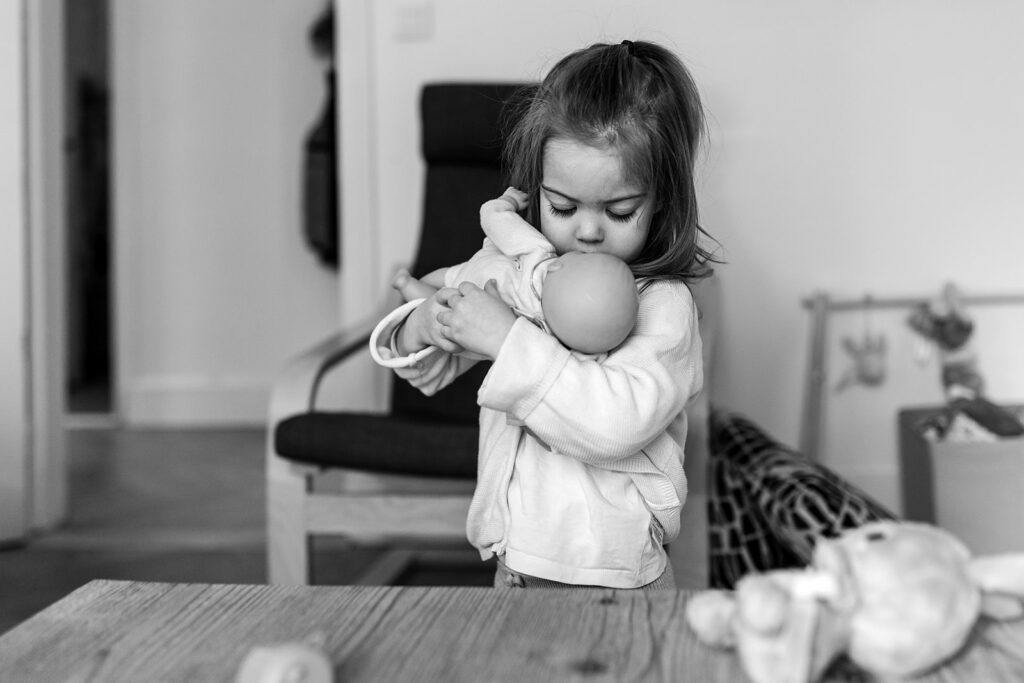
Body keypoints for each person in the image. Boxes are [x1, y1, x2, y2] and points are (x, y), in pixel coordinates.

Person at [370, 39, 716, 589]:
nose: (587, 230)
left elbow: (617, 425)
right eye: (562, 206)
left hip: (619, 574)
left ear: (661, 203)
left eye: (620, 211)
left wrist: (508, 341)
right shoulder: (516, 271)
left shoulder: (663, 308)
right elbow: (429, 365)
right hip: (516, 562)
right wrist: (422, 323)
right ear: (535, 192)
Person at [385, 185, 640, 357]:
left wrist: (506, 202)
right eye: (562, 206)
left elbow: (492, 215)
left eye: (620, 211)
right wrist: (416, 328)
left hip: (463, 284)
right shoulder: (537, 331)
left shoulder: (539, 256)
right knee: (433, 300)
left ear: (557, 265)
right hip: (469, 277)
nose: (587, 236)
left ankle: (407, 286)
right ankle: (408, 286)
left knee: (435, 299)